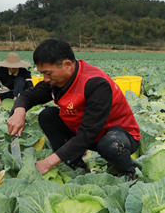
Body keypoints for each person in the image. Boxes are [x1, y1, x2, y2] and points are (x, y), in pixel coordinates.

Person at [7, 38, 141, 180]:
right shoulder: (57, 80)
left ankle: (127, 172)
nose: (45, 79)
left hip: (119, 135)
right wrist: (19, 111)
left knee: (111, 145)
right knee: (47, 116)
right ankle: (77, 167)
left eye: (48, 73)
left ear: (67, 65)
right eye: (42, 74)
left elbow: (88, 133)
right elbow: (30, 95)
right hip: (87, 135)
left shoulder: (96, 84)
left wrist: (47, 163)